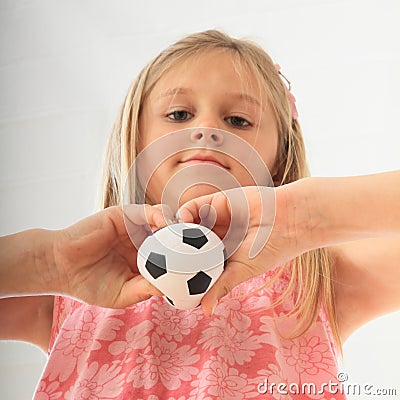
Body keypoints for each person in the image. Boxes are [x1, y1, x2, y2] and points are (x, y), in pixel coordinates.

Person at [0, 29, 399, 399]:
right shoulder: (72, 290)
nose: (208, 128)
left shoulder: (319, 280)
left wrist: (309, 215)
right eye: (178, 115)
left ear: (281, 157)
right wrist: (45, 261)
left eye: (238, 120)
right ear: (133, 137)